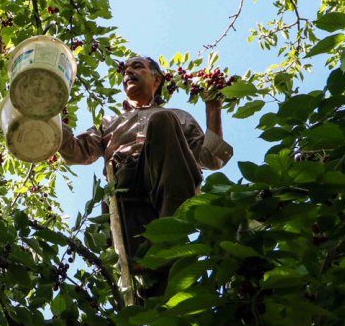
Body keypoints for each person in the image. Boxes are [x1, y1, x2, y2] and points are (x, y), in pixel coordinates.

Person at [58, 56, 233, 264]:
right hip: (125, 188)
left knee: (162, 120)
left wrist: (213, 108)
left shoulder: (177, 116)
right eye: (125, 70)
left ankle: (168, 235)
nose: (128, 73)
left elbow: (212, 158)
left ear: (156, 80)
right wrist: (50, 117)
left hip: (168, 187)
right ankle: (154, 258)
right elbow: (75, 152)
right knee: (142, 277)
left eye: (137, 66)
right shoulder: (110, 122)